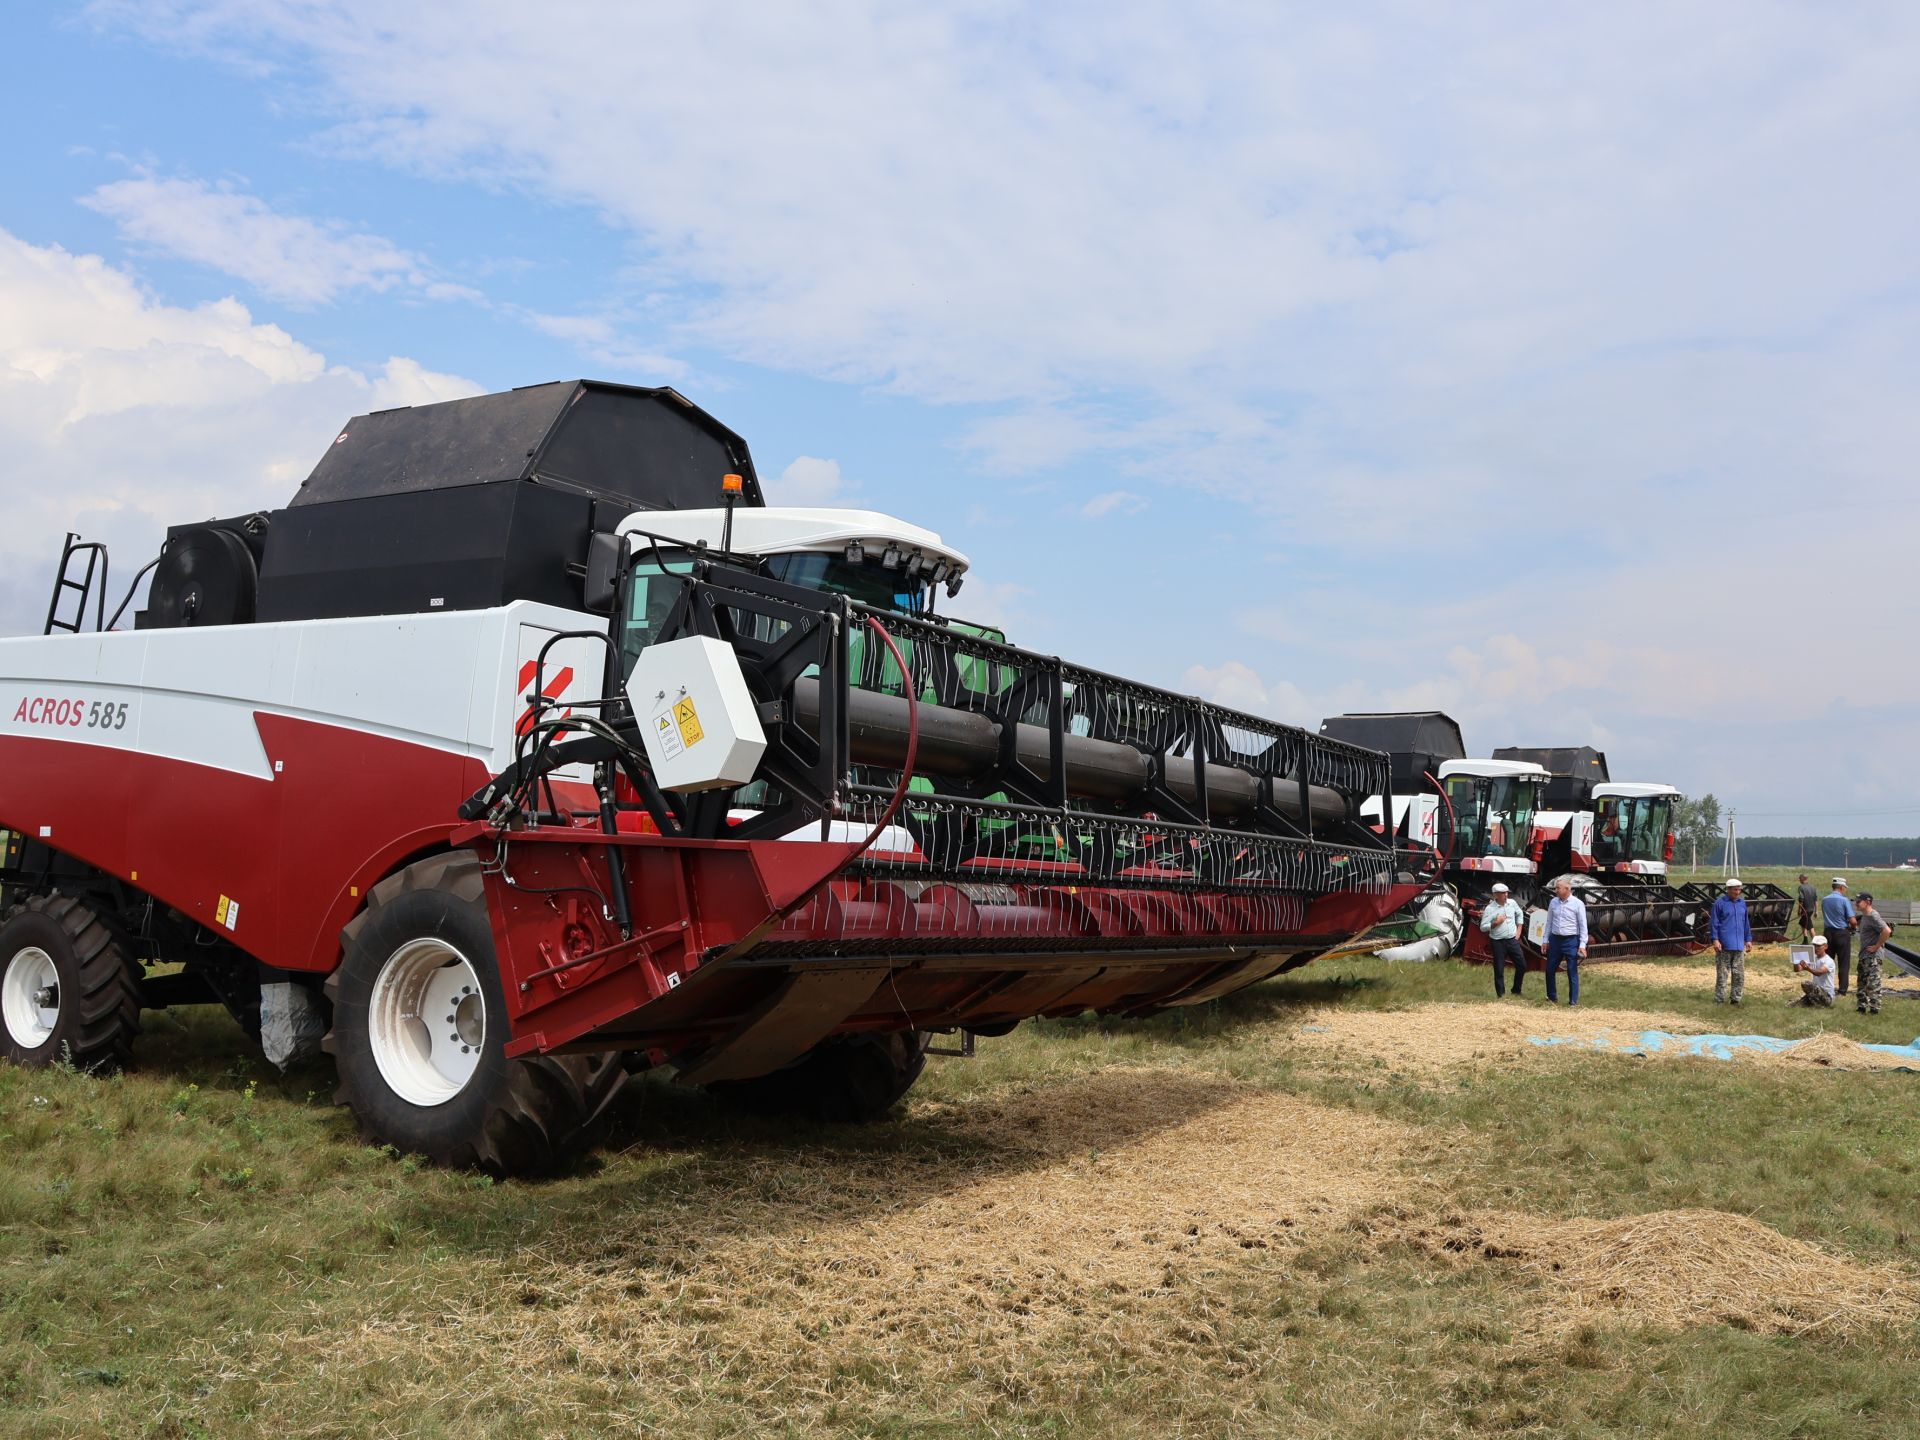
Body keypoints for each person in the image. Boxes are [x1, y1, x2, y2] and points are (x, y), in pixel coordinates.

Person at [1543, 877, 1587, 1007]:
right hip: (1555, 940)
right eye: (1556, 888)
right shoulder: (1553, 902)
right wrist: (1545, 940)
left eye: (1558, 888)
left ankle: (1573, 1001)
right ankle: (1552, 997)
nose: (1556, 890)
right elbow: (1549, 922)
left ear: (1567, 889)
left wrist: (1582, 945)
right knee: (1550, 969)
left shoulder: (1578, 904)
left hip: (1571, 940)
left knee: (1571, 970)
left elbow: (1583, 925)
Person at [1710, 877, 1753, 1005]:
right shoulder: (1719, 904)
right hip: (1724, 945)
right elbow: (1714, 923)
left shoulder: (1742, 903)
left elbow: (1746, 923)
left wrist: (1748, 939)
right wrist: (1715, 939)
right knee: (1723, 974)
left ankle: (1736, 999)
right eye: (1735, 890)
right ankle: (1719, 999)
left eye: (1739, 889)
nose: (1738, 892)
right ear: (1728, 890)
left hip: (1739, 945)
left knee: (1739, 974)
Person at [1479, 882, 1526, 998]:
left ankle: (1516, 990)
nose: (1506, 895)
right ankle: (1501, 994)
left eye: (1506, 892)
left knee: (1522, 965)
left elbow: (1519, 914)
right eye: (1503, 893)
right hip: (1498, 942)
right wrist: (1495, 923)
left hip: (1512, 940)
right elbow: (1483, 927)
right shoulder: (1490, 909)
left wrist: (1519, 930)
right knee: (1499, 969)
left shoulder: (1512, 903)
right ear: (1496, 895)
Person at [1855, 892, 1890, 1016]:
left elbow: (1887, 931)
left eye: (1859, 901)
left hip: (1873, 957)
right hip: (1864, 955)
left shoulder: (1873, 916)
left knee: (1873, 983)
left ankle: (1874, 1009)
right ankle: (1861, 1007)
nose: (1856, 903)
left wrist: (1877, 946)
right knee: (1862, 983)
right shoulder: (1865, 916)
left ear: (1868, 902)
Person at [1821, 877, 1857, 996]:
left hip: (1828, 934)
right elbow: (1852, 921)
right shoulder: (1844, 900)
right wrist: (1853, 927)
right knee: (1843, 963)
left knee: (1827, 962)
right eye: (1845, 888)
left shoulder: (1825, 900)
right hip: (1841, 933)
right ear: (1841, 888)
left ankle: (1826, 987)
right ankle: (1842, 990)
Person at [1790, 934, 1836, 1007]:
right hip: (1815, 992)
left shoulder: (1829, 961)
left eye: (1818, 946)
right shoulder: (1813, 958)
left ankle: (1819, 1004)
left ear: (1825, 946)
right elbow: (1797, 969)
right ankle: (1815, 1003)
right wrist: (1795, 961)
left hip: (1827, 995)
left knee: (1806, 984)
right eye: (1814, 946)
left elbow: (1819, 973)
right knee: (1792, 1005)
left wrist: (1808, 968)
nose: (1816, 948)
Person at [1795, 873, 1820, 943]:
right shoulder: (1813, 887)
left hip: (1805, 910)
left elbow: (1801, 899)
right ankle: (1806, 940)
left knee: (1806, 924)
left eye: (1800, 878)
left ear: (1803, 878)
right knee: (1805, 923)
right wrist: (1816, 911)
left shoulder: (1801, 887)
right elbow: (1816, 900)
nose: (1799, 880)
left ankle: (1814, 941)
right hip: (1811, 910)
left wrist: (1799, 910)